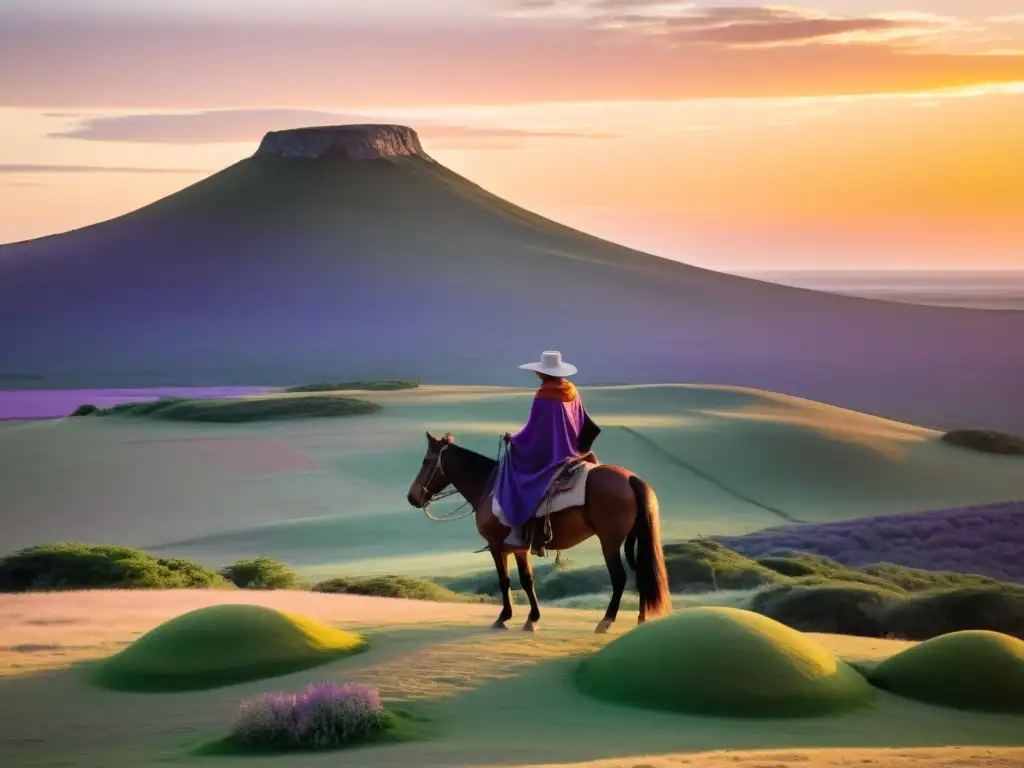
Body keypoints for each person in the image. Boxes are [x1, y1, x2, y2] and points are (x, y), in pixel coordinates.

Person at [492, 351, 601, 547]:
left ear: (542, 373)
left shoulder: (544, 395)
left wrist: (515, 440)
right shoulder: (572, 390)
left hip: (553, 452)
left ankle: (516, 527)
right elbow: (582, 421)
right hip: (574, 449)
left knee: (515, 469)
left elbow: (535, 430)